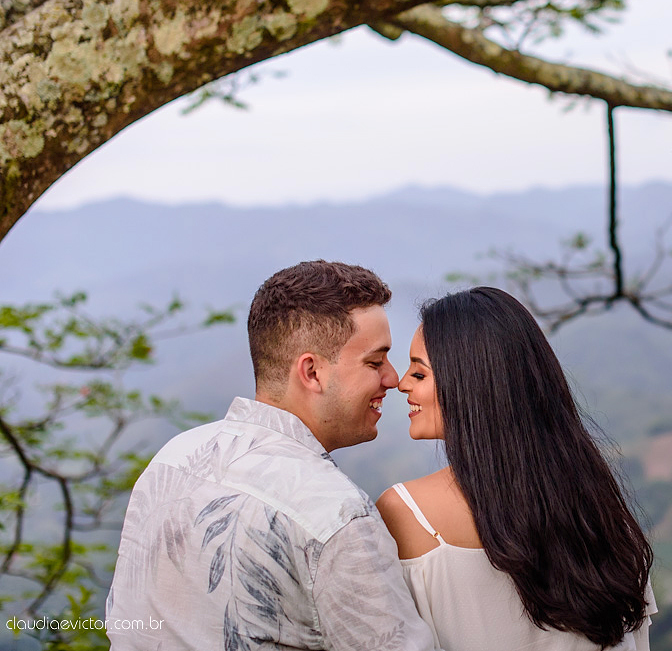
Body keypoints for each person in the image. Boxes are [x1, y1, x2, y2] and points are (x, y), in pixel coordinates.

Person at [106, 261, 437, 651]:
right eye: (374, 361)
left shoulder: (173, 459)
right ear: (312, 372)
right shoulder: (335, 516)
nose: (392, 378)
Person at [376, 286, 656, 651]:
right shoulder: (604, 517)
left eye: (419, 373)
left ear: (470, 383)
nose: (401, 383)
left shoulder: (407, 514)